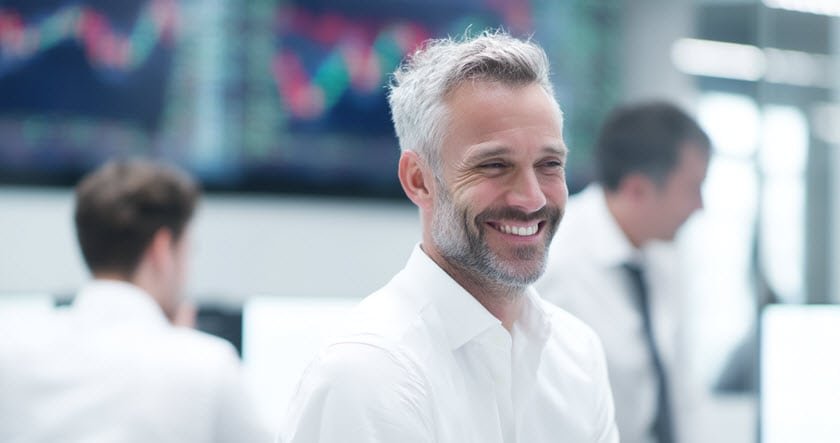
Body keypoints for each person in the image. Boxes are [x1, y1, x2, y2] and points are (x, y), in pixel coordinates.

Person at [279, 30, 618, 443]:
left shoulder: (577, 353)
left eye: (549, 165)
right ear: (419, 180)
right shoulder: (370, 373)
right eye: (494, 165)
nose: (531, 199)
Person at [0, 160, 272, 442]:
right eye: (188, 252)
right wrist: (179, 347)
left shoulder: (10, 354)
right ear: (162, 249)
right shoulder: (206, 366)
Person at [536, 101, 711, 443]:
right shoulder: (554, 263)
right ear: (638, 190)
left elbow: (681, 391)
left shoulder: (661, 254)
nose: (700, 206)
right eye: (692, 189)